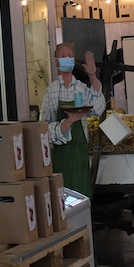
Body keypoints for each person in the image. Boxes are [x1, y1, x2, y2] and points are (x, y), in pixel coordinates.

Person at [39, 43, 106, 197]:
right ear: (57, 61)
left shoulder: (82, 88)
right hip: (60, 154)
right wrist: (68, 122)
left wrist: (92, 76)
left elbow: (98, 108)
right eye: (63, 56)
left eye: (69, 56)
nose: (66, 58)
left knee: (81, 193)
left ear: (74, 60)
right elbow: (43, 127)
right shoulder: (52, 91)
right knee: (62, 194)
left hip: (80, 152)